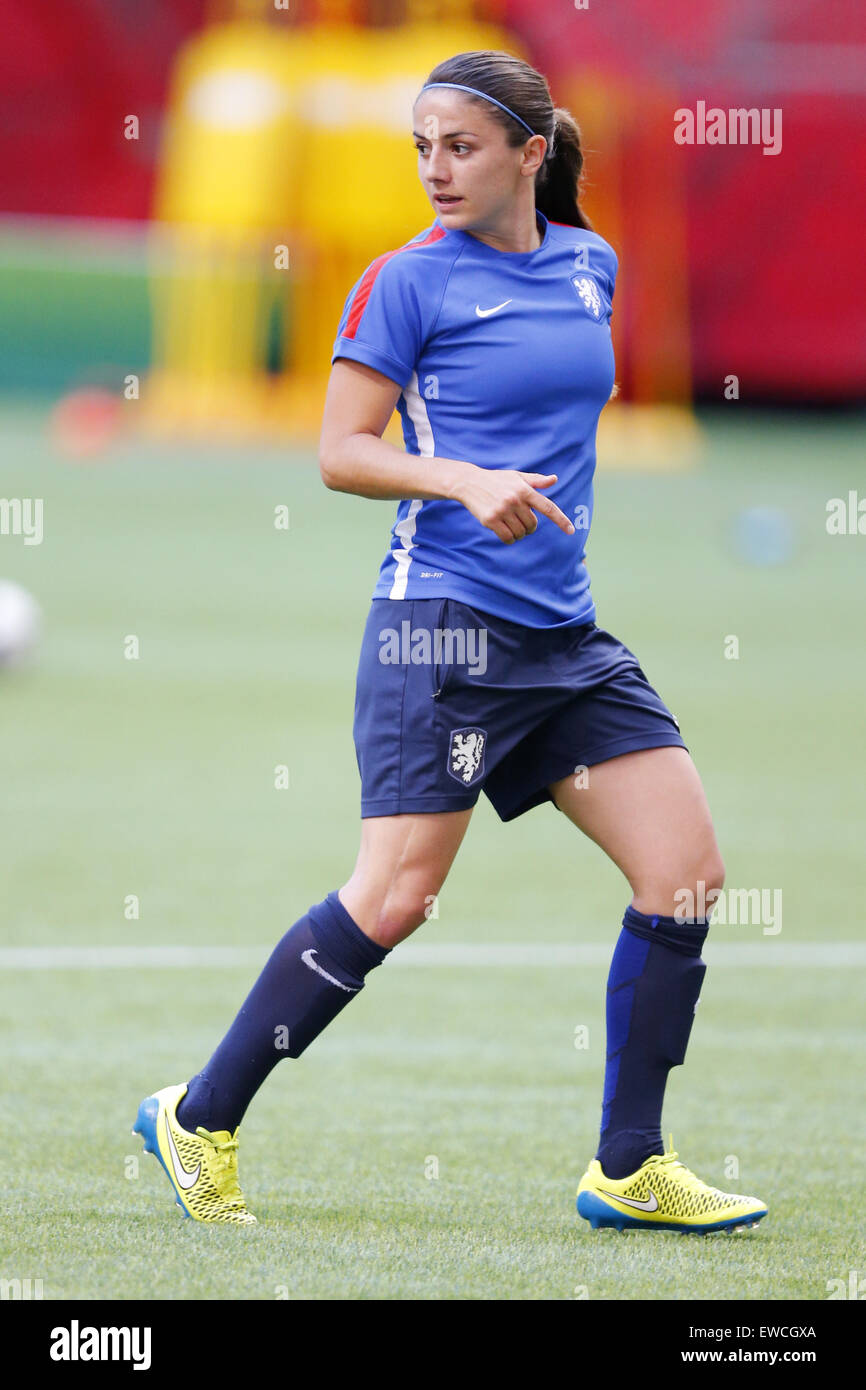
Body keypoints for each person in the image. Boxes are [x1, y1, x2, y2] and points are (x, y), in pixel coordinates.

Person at [134, 49, 767, 1235]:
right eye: (420, 145)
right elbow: (341, 450)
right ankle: (198, 1114)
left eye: (460, 145)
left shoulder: (593, 264)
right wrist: (461, 480)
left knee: (682, 872)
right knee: (395, 896)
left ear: (532, 153)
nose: (434, 167)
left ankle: (628, 1166)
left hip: (565, 640)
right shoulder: (401, 283)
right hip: (443, 634)